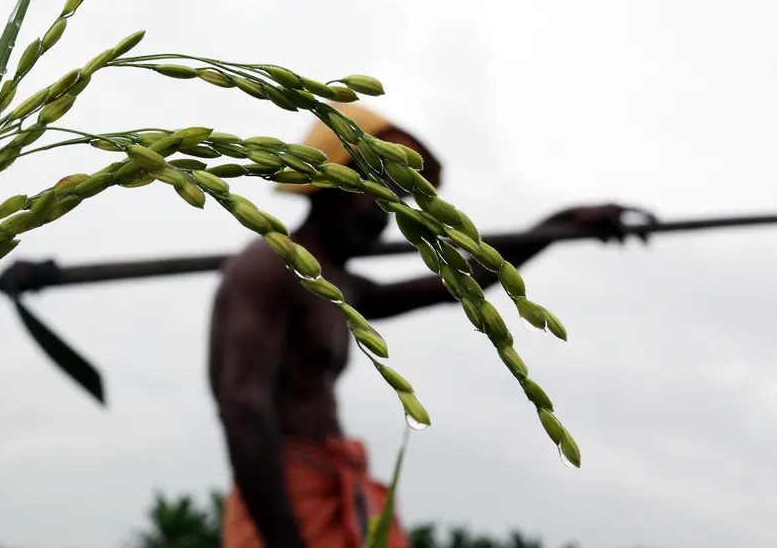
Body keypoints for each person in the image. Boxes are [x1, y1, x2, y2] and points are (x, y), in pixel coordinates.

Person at [209, 103, 655, 548]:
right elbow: (243, 406)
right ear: (333, 180)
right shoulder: (267, 268)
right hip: (282, 508)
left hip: (332, 493)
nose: (382, 214)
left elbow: (465, 280)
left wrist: (563, 223)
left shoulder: (342, 287)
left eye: (393, 199)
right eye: (376, 190)